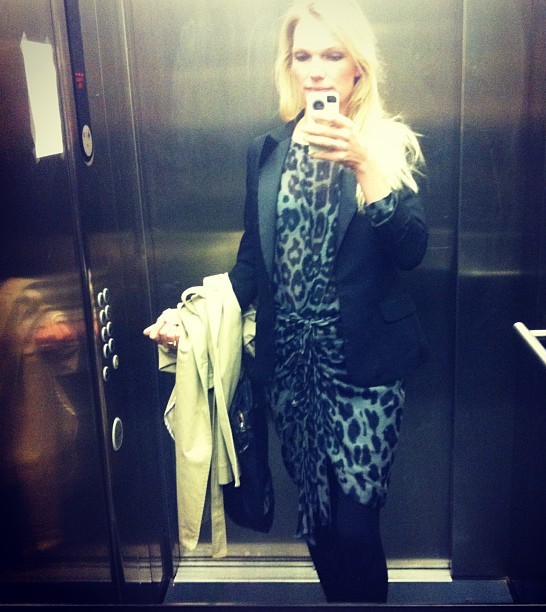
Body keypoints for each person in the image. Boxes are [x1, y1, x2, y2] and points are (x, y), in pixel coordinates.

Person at [146, 0, 428, 603]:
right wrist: (189, 317)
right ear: (289, 66)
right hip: (291, 372)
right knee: (319, 521)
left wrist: (363, 164)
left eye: (332, 54)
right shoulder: (267, 152)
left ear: (358, 66)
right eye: (303, 56)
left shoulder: (386, 144)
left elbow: (411, 250)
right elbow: (253, 265)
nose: (316, 69)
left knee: (355, 526)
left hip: (364, 370)